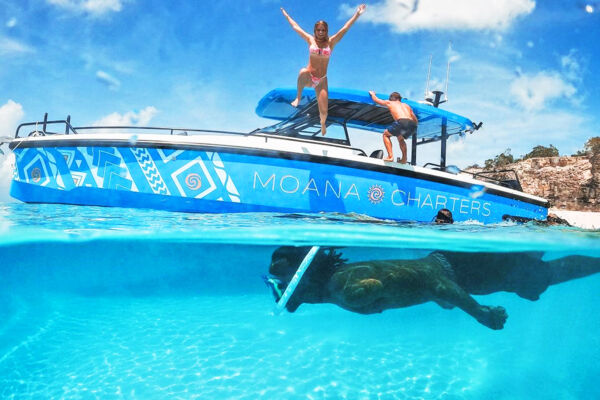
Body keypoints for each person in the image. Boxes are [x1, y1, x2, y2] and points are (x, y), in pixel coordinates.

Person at [265, 246, 600, 330]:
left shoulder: (350, 290)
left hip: (460, 270)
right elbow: (423, 284)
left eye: (282, 282)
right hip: (457, 270)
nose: (283, 291)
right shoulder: (337, 287)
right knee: (534, 272)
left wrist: (479, 313)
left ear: (302, 278)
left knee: (540, 273)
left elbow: (430, 280)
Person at [281, 5, 366, 135]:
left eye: (323, 30)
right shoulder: (310, 40)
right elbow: (296, 27)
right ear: (315, 31)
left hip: (321, 80)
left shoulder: (331, 42)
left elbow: (345, 28)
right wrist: (286, 16)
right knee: (302, 71)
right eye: (318, 30)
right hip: (309, 76)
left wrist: (357, 14)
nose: (321, 32)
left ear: (326, 31)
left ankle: (322, 123)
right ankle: (298, 97)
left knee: (324, 111)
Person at [369, 91, 418, 163]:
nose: (389, 99)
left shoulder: (390, 102)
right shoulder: (407, 106)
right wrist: (412, 125)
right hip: (413, 125)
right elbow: (415, 120)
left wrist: (372, 94)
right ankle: (404, 159)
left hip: (402, 122)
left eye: (390, 98)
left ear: (393, 98)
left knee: (385, 134)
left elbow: (376, 100)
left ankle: (390, 157)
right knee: (400, 138)